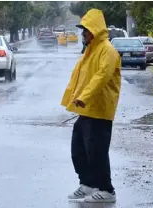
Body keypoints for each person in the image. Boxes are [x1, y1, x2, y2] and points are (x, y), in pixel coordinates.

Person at [61, 9, 121, 203]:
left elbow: (101, 77)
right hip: (86, 108)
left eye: (85, 31)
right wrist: (73, 98)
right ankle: (87, 184)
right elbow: (79, 77)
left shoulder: (108, 51)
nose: (82, 34)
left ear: (94, 31)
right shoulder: (90, 50)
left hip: (101, 109)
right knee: (78, 148)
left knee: (97, 150)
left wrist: (84, 96)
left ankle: (106, 190)